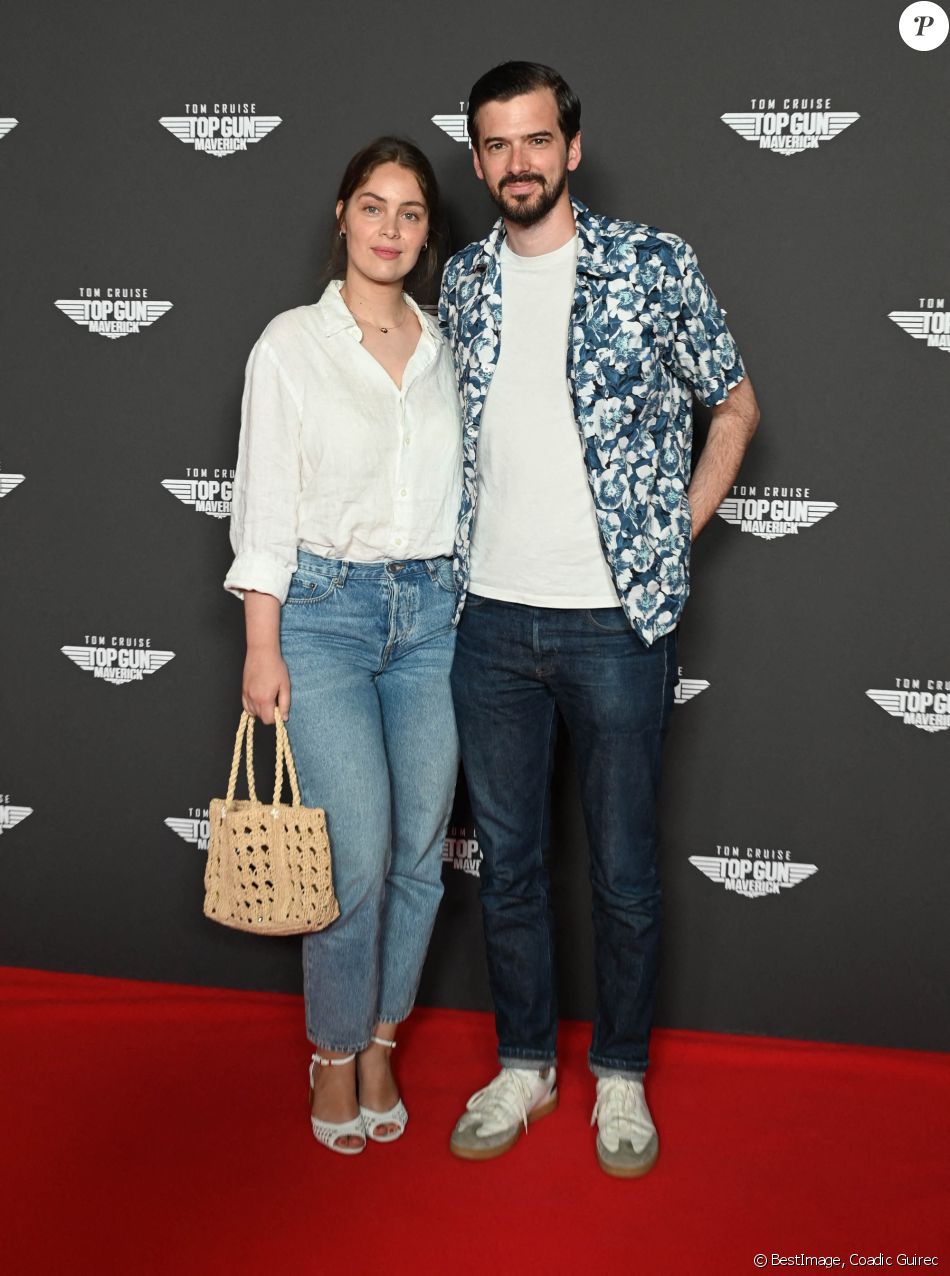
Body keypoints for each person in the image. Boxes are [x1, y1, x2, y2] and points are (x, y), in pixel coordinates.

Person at [440, 63, 760, 1177]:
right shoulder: (464, 282)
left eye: (535, 140)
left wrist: (676, 527)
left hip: (614, 622)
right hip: (485, 624)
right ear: (476, 159)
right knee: (511, 866)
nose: (516, 161)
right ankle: (523, 1062)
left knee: (622, 870)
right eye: (495, 144)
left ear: (570, 148)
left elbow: (733, 400)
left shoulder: (649, 262)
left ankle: (617, 1077)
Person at [224, 137, 462, 1156]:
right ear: (340, 215)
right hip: (320, 617)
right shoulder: (290, 344)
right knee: (354, 853)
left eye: (409, 213)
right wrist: (260, 644)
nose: (390, 230)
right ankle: (329, 1051)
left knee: (419, 853)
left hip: (435, 619)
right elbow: (265, 506)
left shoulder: (450, 345)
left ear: (424, 231)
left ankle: (378, 1037)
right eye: (373, 207)